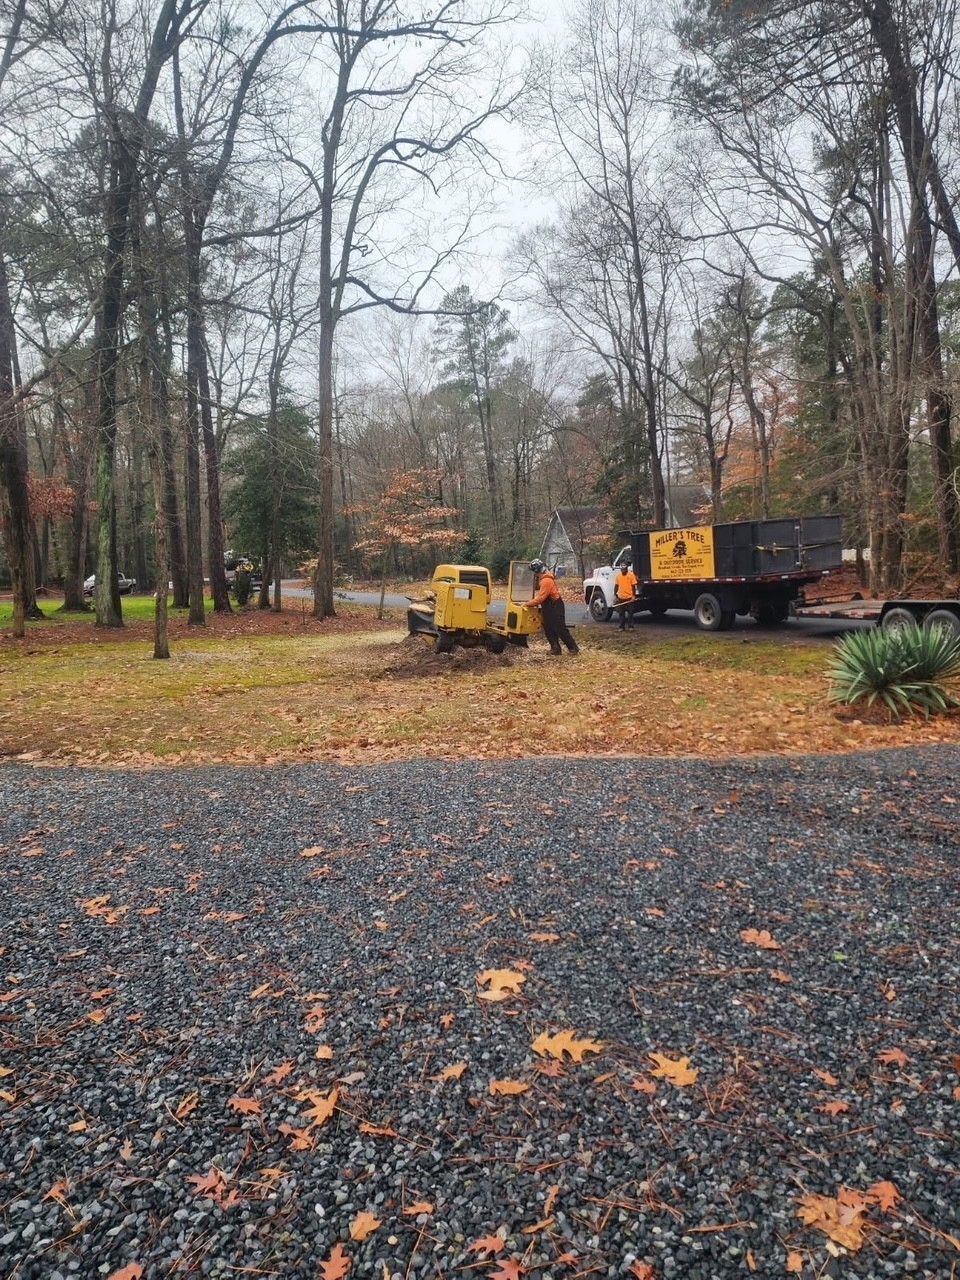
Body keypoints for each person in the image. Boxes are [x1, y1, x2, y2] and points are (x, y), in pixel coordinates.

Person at [528, 559, 579, 655]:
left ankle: (573, 648)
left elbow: (540, 598)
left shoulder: (546, 581)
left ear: (537, 571)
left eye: (534, 572)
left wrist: (527, 604)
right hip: (549, 605)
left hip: (555, 605)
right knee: (548, 627)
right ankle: (555, 649)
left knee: (560, 628)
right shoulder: (544, 578)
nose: (535, 575)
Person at [614, 560, 639, 630]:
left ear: (627, 568)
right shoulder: (618, 576)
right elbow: (616, 586)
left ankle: (631, 626)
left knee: (630, 613)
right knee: (621, 613)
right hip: (621, 597)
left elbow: (633, 586)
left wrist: (633, 596)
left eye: (624, 569)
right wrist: (615, 596)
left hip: (629, 598)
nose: (623, 570)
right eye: (622, 569)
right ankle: (621, 627)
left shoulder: (631, 575)